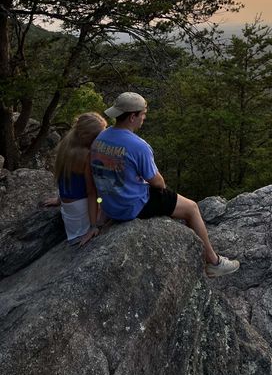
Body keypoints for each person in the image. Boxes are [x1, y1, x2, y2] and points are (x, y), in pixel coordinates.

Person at [90, 92, 240, 278]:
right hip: (131, 207)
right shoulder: (138, 146)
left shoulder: (100, 139)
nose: (143, 119)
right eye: (143, 115)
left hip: (109, 205)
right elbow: (158, 183)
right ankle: (213, 261)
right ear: (132, 116)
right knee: (192, 208)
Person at [44, 112, 107, 245]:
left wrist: (58, 199)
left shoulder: (65, 145)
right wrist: (94, 226)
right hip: (81, 215)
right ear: (86, 136)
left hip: (68, 210)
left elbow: (63, 177)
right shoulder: (86, 155)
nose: (101, 139)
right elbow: (91, 193)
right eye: (98, 136)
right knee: (105, 198)